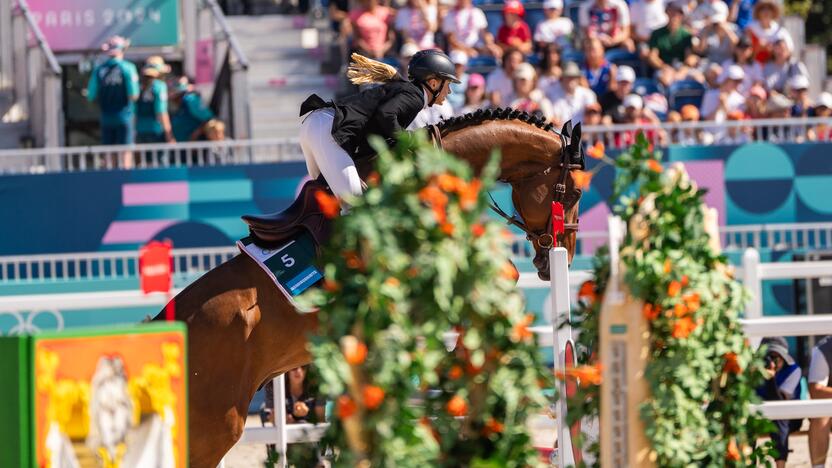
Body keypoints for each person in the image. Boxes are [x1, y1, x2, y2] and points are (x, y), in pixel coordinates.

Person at [298, 51, 459, 200]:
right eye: (448, 84)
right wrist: (407, 138)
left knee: (324, 201)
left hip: (316, 124)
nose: (450, 91)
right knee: (354, 204)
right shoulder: (416, 97)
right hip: (327, 129)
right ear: (433, 83)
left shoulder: (408, 91)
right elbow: (386, 114)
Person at [86, 36, 140, 167]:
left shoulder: (99, 70)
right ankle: (126, 178)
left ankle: (111, 180)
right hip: (124, 116)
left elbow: (90, 96)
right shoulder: (128, 68)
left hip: (106, 117)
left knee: (109, 152)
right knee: (126, 151)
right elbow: (134, 95)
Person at [756, 337, 802, 468]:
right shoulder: (753, 369)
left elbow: (779, 400)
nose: (771, 361)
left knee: (779, 417)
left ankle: (780, 466)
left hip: (789, 417)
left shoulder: (793, 369)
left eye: (776, 357)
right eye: (768, 357)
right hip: (761, 416)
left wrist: (770, 379)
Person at [645, 1, 697, 88]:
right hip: (663, 68)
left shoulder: (686, 35)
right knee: (665, 80)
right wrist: (664, 67)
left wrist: (682, 70)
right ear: (667, 12)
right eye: (672, 11)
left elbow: (689, 57)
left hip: (681, 68)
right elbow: (652, 57)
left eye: (678, 12)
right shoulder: (657, 33)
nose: (675, 15)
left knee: (698, 78)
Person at [135, 57, 174, 144]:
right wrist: (169, 134)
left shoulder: (139, 86)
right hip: (156, 130)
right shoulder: (159, 86)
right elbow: (161, 112)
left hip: (140, 130)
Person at [546, 61, 598, 127]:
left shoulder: (588, 94)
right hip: (558, 135)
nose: (571, 80)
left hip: (584, 134)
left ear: (578, 79)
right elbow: (551, 118)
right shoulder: (552, 94)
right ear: (562, 78)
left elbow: (594, 117)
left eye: (574, 77)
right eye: (568, 77)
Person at [745, 0, 793, 64]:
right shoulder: (750, 29)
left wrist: (773, 50)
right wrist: (758, 48)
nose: (766, 11)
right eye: (763, 9)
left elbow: (789, 51)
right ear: (758, 12)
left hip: (774, 68)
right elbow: (743, 55)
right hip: (754, 68)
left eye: (769, 9)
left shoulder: (780, 32)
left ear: (773, 12)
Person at [169, 77, 215, 143]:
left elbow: (208, 118)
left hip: (194, 148)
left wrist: (195, 135)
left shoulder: (190, 100)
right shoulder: (181, 105)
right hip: (182, 147)